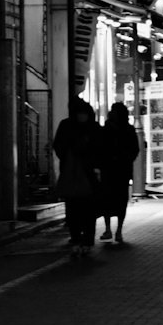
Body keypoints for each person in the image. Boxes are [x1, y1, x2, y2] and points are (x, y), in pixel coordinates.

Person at [53, 97, 103, 257]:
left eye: (84, 114)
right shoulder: (88, 128)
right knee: (79, 209)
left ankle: (84, 239)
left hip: (81, 175)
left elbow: (59, 146)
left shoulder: (68, 126)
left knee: (82, 209)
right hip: (78, 175)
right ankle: (79, 239)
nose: (82, 117)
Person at [99, 101, 140, 243]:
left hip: (117, 170)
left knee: (116, 200)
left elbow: (134, 149)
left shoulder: (121, 129)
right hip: (114, 169)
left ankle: (116, 230)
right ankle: (112, 230)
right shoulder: (110, 128)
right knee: (111, 200)